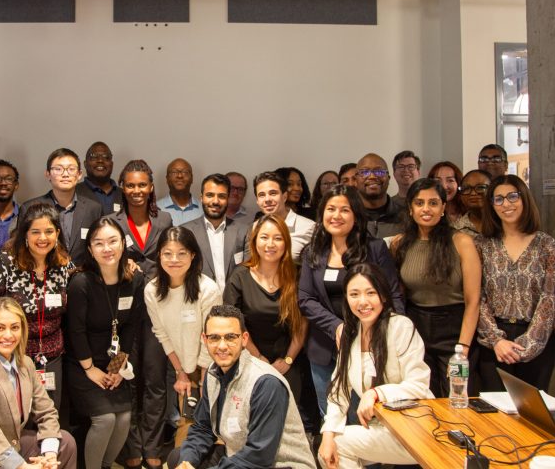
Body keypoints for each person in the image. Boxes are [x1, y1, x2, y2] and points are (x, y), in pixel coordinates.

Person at [298, 184, 404, 417]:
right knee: (330, 415)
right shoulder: (313, 251)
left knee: (362, 416)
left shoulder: (374, 249)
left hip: (369, 345)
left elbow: (392, 294)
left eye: (344, 210)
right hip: (324, 347)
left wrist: (391, 332)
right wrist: (336, 326)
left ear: (356, 215)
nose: (336, 216)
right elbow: (305, 299)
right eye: (330, 209)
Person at [168, 305, 317, 469]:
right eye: (214, 338)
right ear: (205, 339)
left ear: (244, 339)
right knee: (178, 457)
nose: (222, 346)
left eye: (230, 337)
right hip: (239, 455)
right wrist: (186, 462)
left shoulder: (266, 382)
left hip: (280, 464)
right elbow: (203, 428)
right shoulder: (213, 373)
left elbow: (258, 456)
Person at [317, 264, 432, 469]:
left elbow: (419, 384)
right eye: (354, 294)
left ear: (384, 296)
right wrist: (327, 433)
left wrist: (376, 393)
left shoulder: (400, 326)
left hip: (416, 427)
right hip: (382, 428)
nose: (363, 302)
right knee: (328, 450)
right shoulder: (349, 333)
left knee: (340, 445)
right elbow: (338, 390)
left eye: (371, 293)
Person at [0, 203, 76, 409]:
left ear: (57, 234)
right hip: (10, 354)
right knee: (16, 416)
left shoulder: (63, 266)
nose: (42, 238)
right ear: (25, 235)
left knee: (49, 414)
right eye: (35, 232)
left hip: (51, 356)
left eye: (49, 232)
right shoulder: (4, 264)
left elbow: (87, 282)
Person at [0, 297, 78, 469]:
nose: (8, 335)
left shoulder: (26, 364)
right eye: (0, 328)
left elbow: (47, 412)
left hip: (15, 444)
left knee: (65, 443)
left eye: (14, 327)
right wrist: (20, 466)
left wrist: (49, 455)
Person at [65, 217, 146, 469]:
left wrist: (118, 368)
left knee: (123, 418)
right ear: (90, 249)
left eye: (112, 241)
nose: (106, 248)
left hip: (113, 363)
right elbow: (75, 331)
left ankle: (105, 465)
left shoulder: (133, 280)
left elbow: (131, 325)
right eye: (98, 243)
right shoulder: (81, 283)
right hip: (82, 363)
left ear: (123, 244)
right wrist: (90, 370)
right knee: (106, 419)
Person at [390, 178, 481, 397]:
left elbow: (473, 301)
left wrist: (463, 349)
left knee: (458, 399)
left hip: (456, 330)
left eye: (433, 203)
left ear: (443, 208)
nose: (426, 209)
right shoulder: (399, 244)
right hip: (417, 329)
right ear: (410, 208)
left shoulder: (462, 241)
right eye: (419, 203)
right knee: (422, 399)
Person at [113, 160, 173, 469]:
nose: (137, 191)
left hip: (157, 312)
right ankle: (131, 446)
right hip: (121, 314)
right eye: (131, 185)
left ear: (151, 187)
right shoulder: (111, 221)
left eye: (142, 185)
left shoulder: (165, 219)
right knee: (126, 379)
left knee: (155, 381)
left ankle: (152, 445)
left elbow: (171, 258)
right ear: (122, 187)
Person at [476, 175, 555, 392]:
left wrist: (528, 345)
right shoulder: (483, 245)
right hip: (493, 342)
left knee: (531, 416)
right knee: (495, 414)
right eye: (499, 199)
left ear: (524, 199)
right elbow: (478, 296)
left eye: (513, 197)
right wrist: (496, 340)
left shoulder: (546, 245)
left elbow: (549, 299)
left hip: (537, 340)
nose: (506, 204)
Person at [144, 227, 222, 448]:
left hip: (213, 369)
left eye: (181, 253)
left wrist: (204, 378)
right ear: (159, 255)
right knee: (189, 433)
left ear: (193, 255)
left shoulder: (207, 289)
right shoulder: (152, 290)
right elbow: (162, 334)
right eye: (167, 253)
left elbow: (212, 338)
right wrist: (181, 373)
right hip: (184, 372)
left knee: (217, 432)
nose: (174, 260)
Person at [224, 214, 308, 407]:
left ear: (286, 242)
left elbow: (302, 322)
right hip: (249, 358)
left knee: (287, 417)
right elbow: (234, 323)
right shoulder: (240, 276)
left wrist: (288, 359)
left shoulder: (297, 274)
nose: (270, 244)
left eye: (277, 238)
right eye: (264, 237)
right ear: (254, 241)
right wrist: (258, 358)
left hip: (288, 360)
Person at [22, 148, 103, 267]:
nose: (65, 174)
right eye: (58, 169)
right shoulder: (30, 208)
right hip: (44, 277)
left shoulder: (94, 209)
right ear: (48, 174)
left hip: (83, 279)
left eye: (71, 169)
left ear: (79, 174)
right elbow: (22, 249)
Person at [183, 173, 250, 291]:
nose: (215, 201)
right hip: (199, 303)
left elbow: (248, 274)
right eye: (210, 195)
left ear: (228, 198)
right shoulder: (186, 232)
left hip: (235, 304)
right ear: (201, 197)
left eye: (222, 196)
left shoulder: (244, 231)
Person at [253, 170, 316, 263]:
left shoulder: (309, 227)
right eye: (261, 195)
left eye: (273, 193)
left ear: (284, 196)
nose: (267, 199)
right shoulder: (254, 227)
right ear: (257, 201)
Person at [353, 154, 404, 239]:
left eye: (379, 172)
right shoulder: (348, 216)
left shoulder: (405, 216)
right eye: (365, 172)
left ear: (388, 178)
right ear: (355, 180)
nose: (372, 176)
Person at [77, 141, 124, 215]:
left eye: (106, 157)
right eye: (94, 157)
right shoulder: (74, 192)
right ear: (85, 164)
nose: (100, 160)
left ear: (111, 164)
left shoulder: (124, 195)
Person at [158, 158, 203, 226]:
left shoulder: (204, 209)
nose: (180, 176)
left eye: (185, 172)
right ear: (167, 179)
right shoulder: (156, 209)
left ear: (192, 178)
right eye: (174, 172)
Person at [452, 169, 492, 235]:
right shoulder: (455, 231)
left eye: (481, 188)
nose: (473, 193)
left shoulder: (505, 223)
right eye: (467, 188)